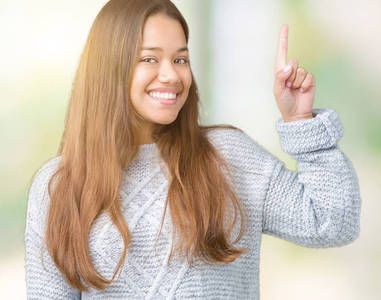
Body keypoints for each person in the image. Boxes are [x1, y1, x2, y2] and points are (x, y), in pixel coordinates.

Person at [24, 0, 361, 298]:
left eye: (180, 59)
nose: (171, 75)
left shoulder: (227, 158)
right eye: (150, 59)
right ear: (108, 68)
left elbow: (332, 222)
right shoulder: (58, 185)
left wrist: (301, 121)